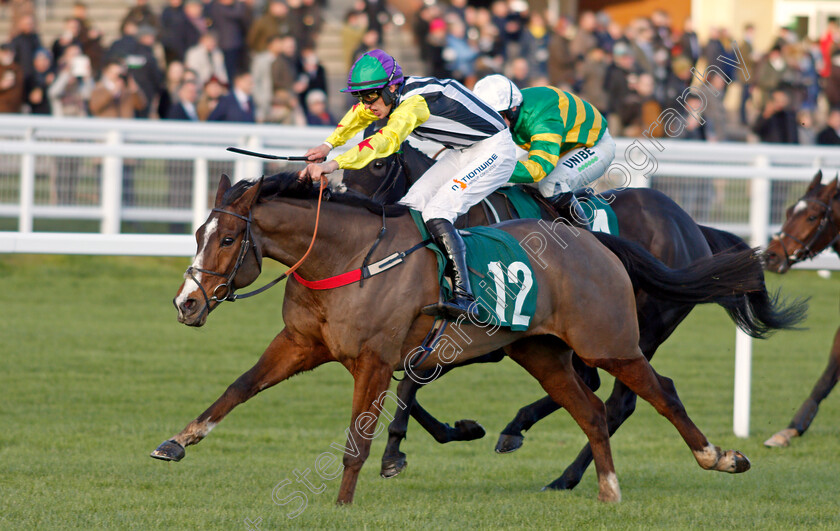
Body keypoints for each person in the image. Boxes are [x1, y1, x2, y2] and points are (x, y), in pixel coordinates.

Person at [300, 49, 517, 320]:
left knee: (438, 211)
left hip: (494, 149)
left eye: (370, 95)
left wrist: (332, 165)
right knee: (409, 206)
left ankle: (465, 297)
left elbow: (386, 141)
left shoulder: (414, 103)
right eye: (360, 96)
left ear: (392, 88)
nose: (366, 104)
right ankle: (418, 281)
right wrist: (327, 145)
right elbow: (359, 115)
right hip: (462, 150)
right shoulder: (391, 96)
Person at [472, 74, 615, 229]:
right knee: (513, 179)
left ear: (513, 109)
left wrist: (493, 168)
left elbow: (539, 169)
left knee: (551, 183)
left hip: (594, 144)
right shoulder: (511, 108)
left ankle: (585, 241)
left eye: (498, 117)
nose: (493, 124)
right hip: (559, 145)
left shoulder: (542, 117)